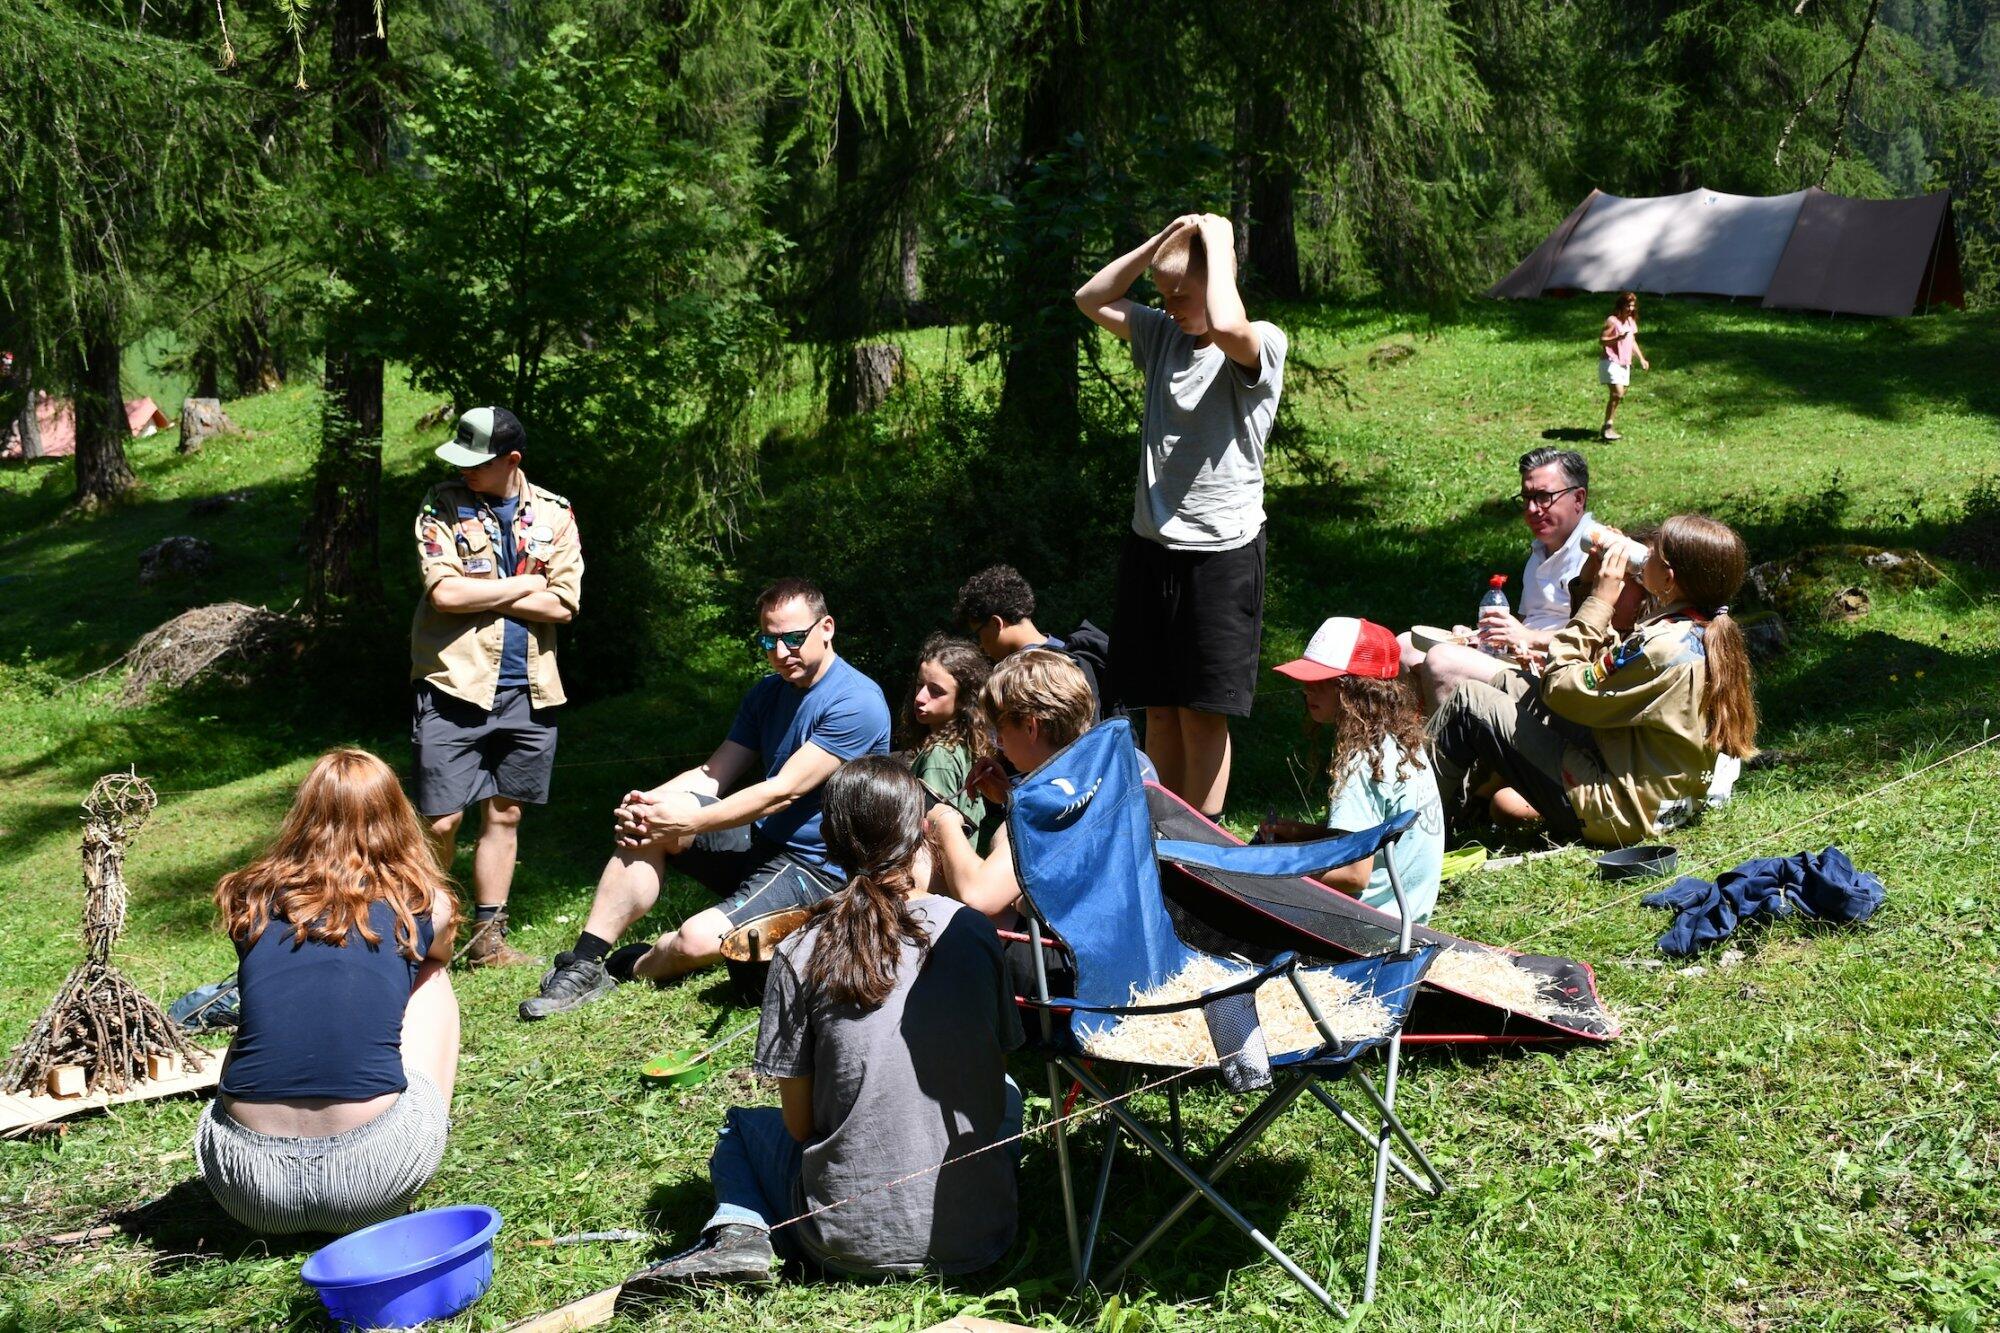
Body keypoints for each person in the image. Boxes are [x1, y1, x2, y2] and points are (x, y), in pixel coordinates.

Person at [624, 757, 1024, 1289]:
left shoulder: (800, 948)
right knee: (1011, 1092)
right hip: (983, 1239)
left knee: (741, 1127)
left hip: (841, 1246)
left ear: (831, 846)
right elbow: (994, 1072)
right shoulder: (971, 930)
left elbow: (798, 1127)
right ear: (921, 836)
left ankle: (740, 1232)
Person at [521, 578, 891, 1018]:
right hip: (762, 842)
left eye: (793, 638)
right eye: (768, 641)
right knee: (648, 823)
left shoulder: (857, 702)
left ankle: (632, 964)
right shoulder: (767, 693)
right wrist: (647, 804)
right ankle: (583, 962)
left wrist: (688, 821)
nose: (780, 652)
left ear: (826, 628)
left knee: (693, 940)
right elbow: (713, 774)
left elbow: (781, 792)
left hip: (819, 869)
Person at [1075, 212, 1288, 819]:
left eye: (1181, 296)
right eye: (1163, 295)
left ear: (1219, 280)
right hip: (1152, 550)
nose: (1169, 307)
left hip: (1221, 555)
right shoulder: (1163, 333)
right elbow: (1090, 298)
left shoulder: (1260, 342)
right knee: (1158, 708)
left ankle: (1202, 840)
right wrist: (1161, 242)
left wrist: (1217, 239)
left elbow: (1226, 323)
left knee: (1201, 713)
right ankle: (1160, 829)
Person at [196, 749, 460, 1235]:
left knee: (259, 1009)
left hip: (248, 1191)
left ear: (303, 815)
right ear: (396, 815)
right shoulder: (425, 903)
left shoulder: (248, 897)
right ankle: (425, 1128)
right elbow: (440, 951)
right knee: (432, 973)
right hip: (377, 1183)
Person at [1429, 514, 1757, 846]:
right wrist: (1588, 585)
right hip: (1648, 787)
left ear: (1668, 579)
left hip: (1621, 809)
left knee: (1469, 702)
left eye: (1652, 556)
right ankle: (1459, 812)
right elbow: (1599, 671)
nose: (1644, 559)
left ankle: (1414, 829)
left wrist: (1600, 601)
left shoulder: (1661, 648)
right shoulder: (1698, 631)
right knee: (1507, 683)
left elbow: (1561, 687)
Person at [411, 406, 583, 968]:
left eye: (476, 462)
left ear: (511, 459)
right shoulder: (441, 505)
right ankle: (426, 933)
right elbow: (445, 595)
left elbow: (564, 604)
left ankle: (487, 940)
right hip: (454, 684)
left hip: (530, 689)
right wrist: (524, 586)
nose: (464, 470)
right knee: (441, 820)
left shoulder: (555, 513)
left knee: (505, 814)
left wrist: (486, 591)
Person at [1255, 618, 1444, 924]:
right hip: (1408, 919)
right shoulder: (1401, 743)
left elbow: (1354, 876)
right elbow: (1374, 839)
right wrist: (1304, 835)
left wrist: (1277, 868)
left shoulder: (1363, 763)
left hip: (1367, 927)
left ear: (1356, 691)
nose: (1306, 689)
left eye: (1320, 681)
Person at [1402, 448, 1597, 713]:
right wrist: (1482, 638)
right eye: (1527, 498)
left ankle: (1442, 741)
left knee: (1441, 661)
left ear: (1578, 498)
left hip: (1555, 679)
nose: (1532, 509)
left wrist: (1527, 636)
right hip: (1521, 661)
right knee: (1404, 647)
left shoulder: (1597, 553)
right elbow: (1524, 626)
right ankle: (1413, 736)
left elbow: (1600, 641)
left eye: (1543, 497)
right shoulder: (1540, 551)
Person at [926, 649, 1097, 923]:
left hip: (1051, 947)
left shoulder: (1045, 800)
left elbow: (980, 896)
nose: (998, 743)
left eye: (1000, 730)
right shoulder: (1098, 769)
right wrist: (1008, 800)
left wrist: (943, 819)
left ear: (1030, 727)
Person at [952, 564, 1115, 721]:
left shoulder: (1027, 675)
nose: (981, 645)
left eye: (978, 634)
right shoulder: (1072, 655)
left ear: (996, 623)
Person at [902, 633, 1001, 851]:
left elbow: (932, 837)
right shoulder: (970, 745)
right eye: (919, 685)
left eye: (936, 691)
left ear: (963, 700)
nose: (920, 698)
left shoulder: (940, 756)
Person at [1598, 291, 1650, 441]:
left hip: (1625, 362)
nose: (1631, 308)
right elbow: (1602, 340)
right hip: (1610, 361)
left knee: (1617, 397)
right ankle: (1608, 427)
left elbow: (1632, 341)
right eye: (1628, 305)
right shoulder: (1612, 321)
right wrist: (1617, 338)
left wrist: (1641, 358)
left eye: (1632, 306)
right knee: (1618, 393)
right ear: (1621, 305)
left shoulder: (1630, 322)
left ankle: (1608, 426)